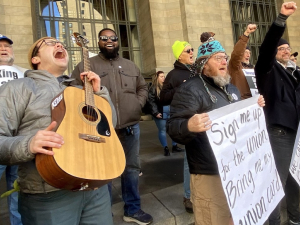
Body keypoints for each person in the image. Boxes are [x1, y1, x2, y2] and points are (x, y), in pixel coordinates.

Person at [0, 36, 116, 225]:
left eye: (60, 43)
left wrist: (100, 93)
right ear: (35, 59)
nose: (59, 44)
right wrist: (28, 144)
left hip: (96, 188)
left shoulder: (80, 89)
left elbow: (109, 128)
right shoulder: (17, 88)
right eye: (49, 43)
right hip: (48, 193)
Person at [166, 35, 265, 225]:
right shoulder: (190, 90)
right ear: (204, 64)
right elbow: (173, 127)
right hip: (209, 172)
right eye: (218, 58)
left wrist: (254, 108)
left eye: (225, 58)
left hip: (236, 171)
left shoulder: (232, 89)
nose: (224, 61)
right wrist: (189, 126)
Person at [71, 28, 153, 225]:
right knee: (104, 171)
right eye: (104, 38)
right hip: (104, 129)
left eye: (113, 38)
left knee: (131, 169)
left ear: (118, 41)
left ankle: (132, 209)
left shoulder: (130, 65)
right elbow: (72, 90)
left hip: (131, 127)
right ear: (98, 41)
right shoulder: (86, 64)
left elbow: (143, 87)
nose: (109, 41)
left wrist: (137, 104)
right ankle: (103, 212)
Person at [255, 2, 300, 225]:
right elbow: (266, 49)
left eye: (288, 48)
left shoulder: (295, 73)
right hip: (280, 134)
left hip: (296, 134)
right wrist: (281, 19)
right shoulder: (268, 70)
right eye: (281, 48)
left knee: (296, 179)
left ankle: (295, 217)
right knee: (276, 183)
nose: (286, 51)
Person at [160, 40, 193, 213]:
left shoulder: (196, 70)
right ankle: (188, 196)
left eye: (192, 49)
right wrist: (180, 87)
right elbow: (163, 98)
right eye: (188, 50)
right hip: (186, 121)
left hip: (201, 118)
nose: (192, 52)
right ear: (180, 55)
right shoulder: (173, 75)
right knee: (189, 160)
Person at [0, 34, 25, 225]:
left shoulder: (24, 73)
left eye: (7, 46)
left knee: (17, 189)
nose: (3, 48)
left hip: (19, 139)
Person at [148, 71, 181, 156]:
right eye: (161, 76)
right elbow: (151, 102)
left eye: (164, 76)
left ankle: (174, 146)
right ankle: (165, 148)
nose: (164, 78)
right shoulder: (153, 88)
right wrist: (155, 112)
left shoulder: (168, 87)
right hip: (160, 111)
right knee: (162, 130)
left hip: (170, 110)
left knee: (173, 128)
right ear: (157, 78)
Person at [228, 24, 257, 99]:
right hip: (241, 102)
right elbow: (237, 54)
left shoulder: (253, 68)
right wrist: (246, 34)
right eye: (245, 52)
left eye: (249, 53)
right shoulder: (235, 67)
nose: (248, 55)